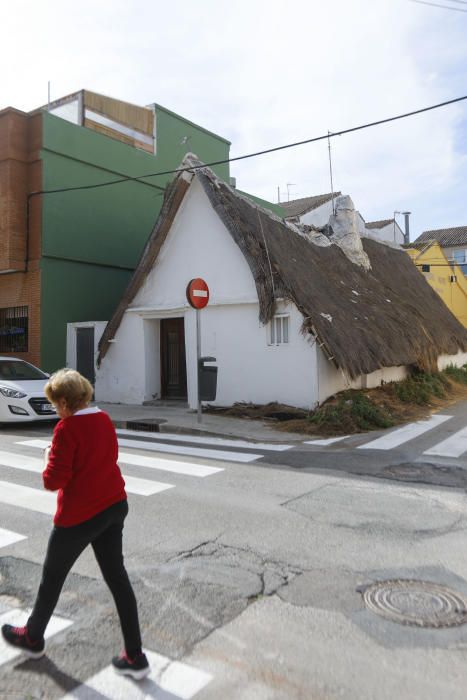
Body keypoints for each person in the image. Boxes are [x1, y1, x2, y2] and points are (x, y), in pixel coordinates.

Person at [1, 368, 150, 680]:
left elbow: (52, 481)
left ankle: (32, 638)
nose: (56, 410)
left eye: (56, 404)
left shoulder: (66, 429)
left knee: (51, 578)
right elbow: (105, 458)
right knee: (118, 579)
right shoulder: (104, 419)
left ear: (66, 403)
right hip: (113, 506)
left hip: (79, 516)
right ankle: (135, 655)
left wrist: (47, 455)